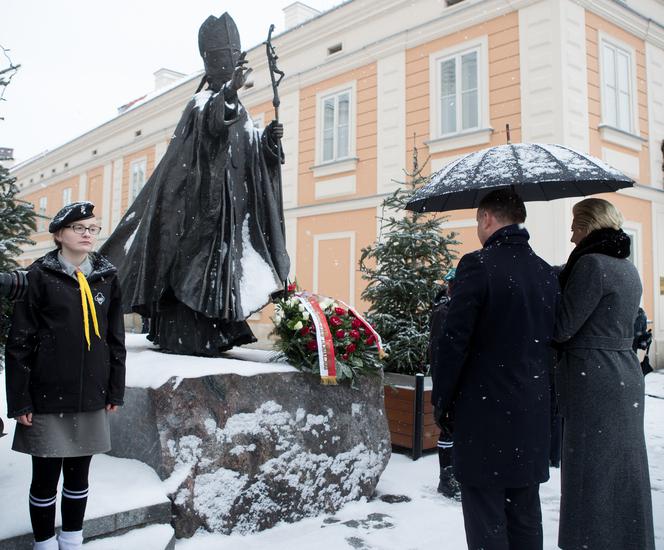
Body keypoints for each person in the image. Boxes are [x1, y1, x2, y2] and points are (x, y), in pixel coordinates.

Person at [99, 12, 289, 356]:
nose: (230, 67)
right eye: (224, 62)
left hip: (232, 214)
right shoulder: (200, 103)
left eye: (233, 60)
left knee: (223, 274)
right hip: (198, 211)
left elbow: (251, 159)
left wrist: (270, 145)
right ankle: (186, 335)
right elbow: (213, 127)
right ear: (211, 63)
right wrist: (230, 91)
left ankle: (218, 332)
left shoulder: (241, 111)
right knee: (193, 272)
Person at [431, 188, 559, 550]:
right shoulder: (545, 272)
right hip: (531, 416)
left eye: (477, 221)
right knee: (525, 519)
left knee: (487, 520)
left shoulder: (477, 265)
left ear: (487, 218)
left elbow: (453, 342)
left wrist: (442, 403)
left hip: (485, 416)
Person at [5, 201, 126, 550]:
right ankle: (44, 542)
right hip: (45, 397)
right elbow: (19, 343)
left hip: (91, 394)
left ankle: (72, 539)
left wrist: (114, 390)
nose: (88, 234)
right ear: (59, 235)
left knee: (79, 476)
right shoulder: (38, 277)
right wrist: (20, 400)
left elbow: (114, 338)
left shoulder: (106, 277)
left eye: (93, 229)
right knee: (44, 479)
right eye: (79, 228)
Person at [554, 198, 654, 550]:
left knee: (589, 472)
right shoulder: (627, 266)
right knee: (624, 469)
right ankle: (628, 537)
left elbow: (564, 327)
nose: (571, 238)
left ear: (589, 226)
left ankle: (589, 541)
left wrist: (555, 289)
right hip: (623, 374)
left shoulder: (591, 265)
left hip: (592, 376)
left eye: (574, 229)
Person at [429, 269, 460, 499]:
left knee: (454, 430)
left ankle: (454, 474)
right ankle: (446, 479)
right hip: (445, 382)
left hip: (455, 381)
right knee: (447, 430)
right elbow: (439, 352)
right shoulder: (444, 312)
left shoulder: (455, 309)